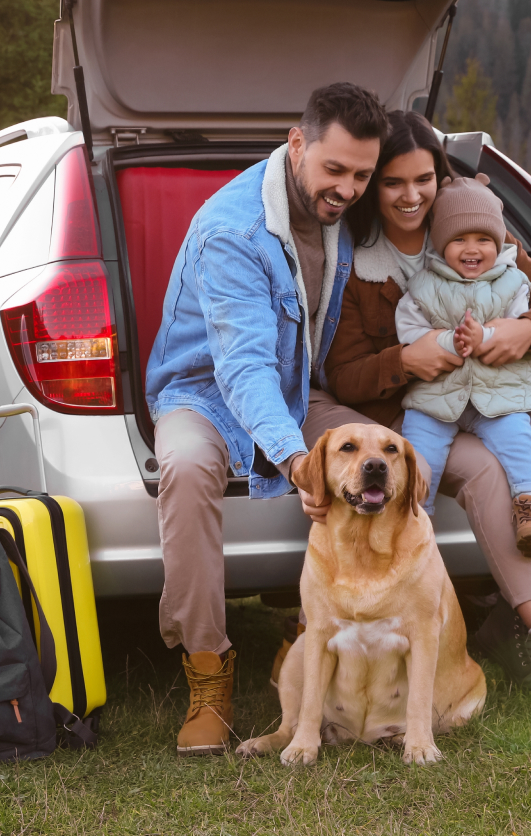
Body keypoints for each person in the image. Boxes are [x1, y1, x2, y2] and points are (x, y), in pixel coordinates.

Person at [315, 110, 531, 707]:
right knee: (486, 469)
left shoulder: (476, 231)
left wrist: (528, 330)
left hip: (492, 396)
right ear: (372, 184)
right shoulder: (356, 261)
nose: (411, 196)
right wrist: (406, 361)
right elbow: (342, 375)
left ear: (441, 175)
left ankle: (507, 623)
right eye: (392, 182)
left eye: (423, 179)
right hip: (411, 414)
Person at [145, 82, 389, 755]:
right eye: (334, 169)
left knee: (379, 451)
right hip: (202, 390)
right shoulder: (234, 230)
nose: (346, 188)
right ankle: (207, 673)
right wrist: (295, 457)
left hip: (293, 385)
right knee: (189, 469)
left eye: (362, 175)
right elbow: (241, 368)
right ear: (296, 144)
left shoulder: (345, 213)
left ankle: (358, 641)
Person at [394, 173, 531, 558]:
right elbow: (408, 329)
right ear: (440, 243)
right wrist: (446, 341)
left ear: (498, 243)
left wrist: (487, 338)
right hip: (438, 395)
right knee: (419, 452)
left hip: (498, 392)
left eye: (483, 239)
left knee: (519, 441)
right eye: (459, 239)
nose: (472, 249)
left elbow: (519, 324)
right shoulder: (423, 284)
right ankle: (414, 523)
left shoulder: (513, 282)